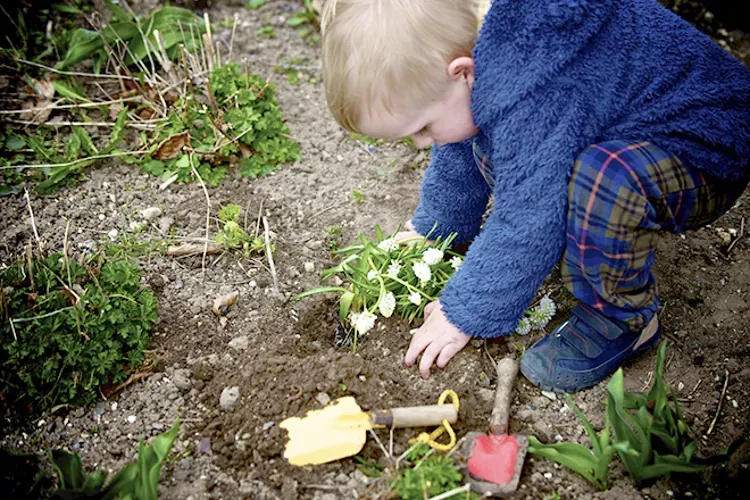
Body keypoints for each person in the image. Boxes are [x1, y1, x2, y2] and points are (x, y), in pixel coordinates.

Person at [319, 0, 750, 391]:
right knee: (488, 140)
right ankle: (589, 236)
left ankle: (621, 318)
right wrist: (438, 226)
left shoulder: (535, 85)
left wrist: (463, 312)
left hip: (707, 146)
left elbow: (528, 214)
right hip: (632, 116)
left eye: (422, 128)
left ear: (462, 72)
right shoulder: (489, 57)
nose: (420, 143)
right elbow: (459, 143)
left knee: (603, 181)